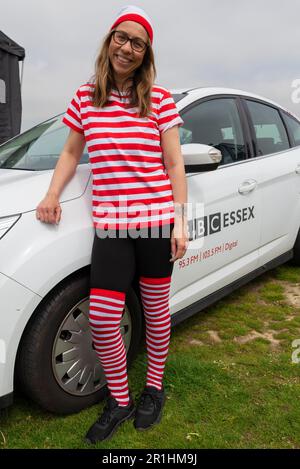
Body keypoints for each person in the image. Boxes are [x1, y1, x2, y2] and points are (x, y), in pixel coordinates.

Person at [36, 4, 189, 444]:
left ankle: (153, 390)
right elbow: (69, 153)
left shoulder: (159, 99)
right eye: (121, 38)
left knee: (156, 313)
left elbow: (175, 163)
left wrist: (180, 221)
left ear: (146, 53)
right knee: (104, 318)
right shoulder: (86, 97)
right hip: (112, 225)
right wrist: (51, 194)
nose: (127, 48)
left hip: (157, 222)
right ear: (109, 41)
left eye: (137, 43)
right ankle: (120, 400)